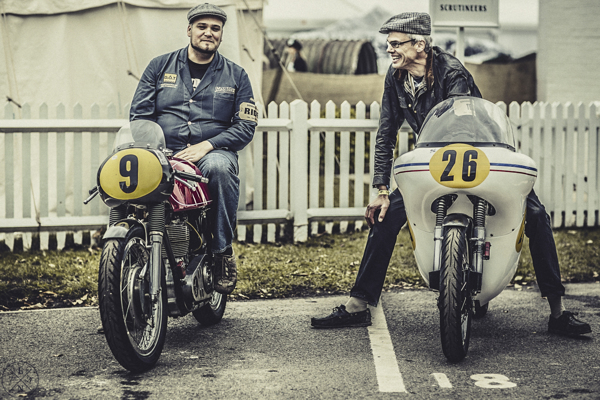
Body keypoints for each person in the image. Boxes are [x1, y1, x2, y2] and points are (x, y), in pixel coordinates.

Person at [310, 12, 591, 337]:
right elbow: (386, 132)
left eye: (396, 43)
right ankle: (358, 305)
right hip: (433, 162)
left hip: (477, 155)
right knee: (385, 218)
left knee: (537, 216)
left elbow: (462, 124)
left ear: (419, 44)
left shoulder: (452, 71)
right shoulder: (396, 76)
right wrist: (382, 189)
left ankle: (558, 312)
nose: (389, 49)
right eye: (389, 43)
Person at [129, 3, 257, 295]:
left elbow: (246, 126)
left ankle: (222, 252)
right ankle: (128, 249)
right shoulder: (159, 67)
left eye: (215, 28)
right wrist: (157, 150)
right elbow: (139, 116)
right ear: (189, 30)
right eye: (202, 26)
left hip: (214, 152)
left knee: (220, 169)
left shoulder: (237, 75)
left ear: (221, 34)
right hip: (164, 152)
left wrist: (208, 145)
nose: (208, 33)